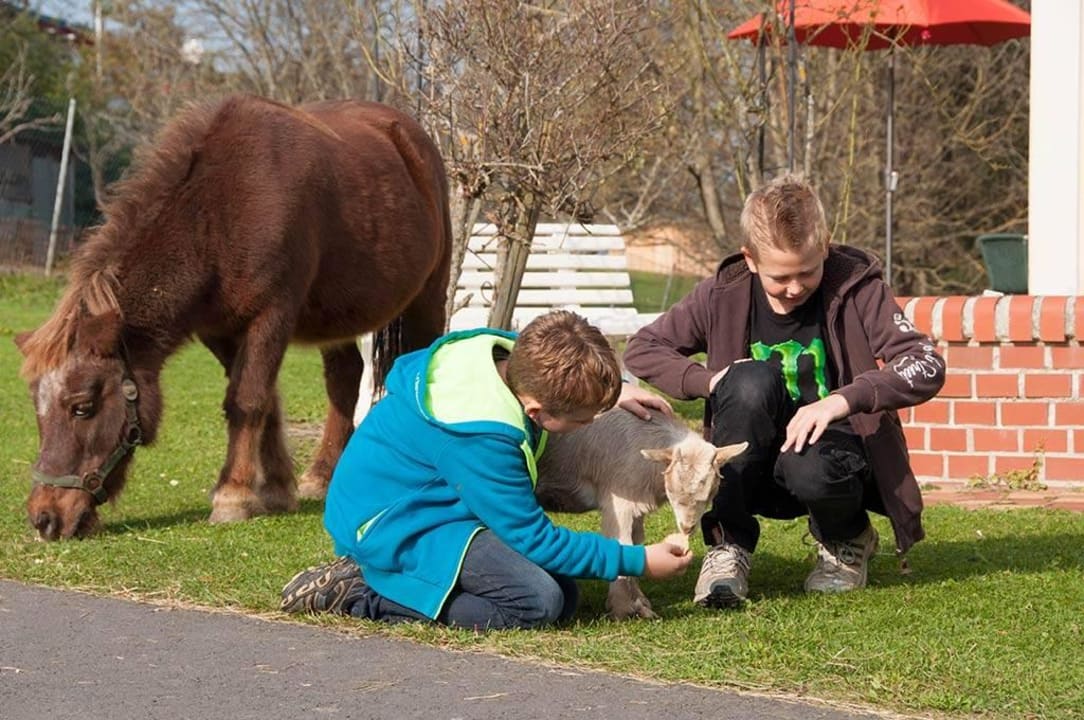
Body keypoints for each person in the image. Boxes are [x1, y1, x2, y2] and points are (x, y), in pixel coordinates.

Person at [623, 173, 945, 608]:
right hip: (749, 460)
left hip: (830, 459)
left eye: (807, 272)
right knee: (747, 380)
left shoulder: (858, 288)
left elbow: (925, 362)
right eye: (780, 277)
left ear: (825, 247)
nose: (795, 287)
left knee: (807, 461)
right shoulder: (722, 294)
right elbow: (643, 348)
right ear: (751, 259)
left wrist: (841, 400)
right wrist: (710, 380)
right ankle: (728, 546)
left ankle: (847, 537)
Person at [281, 310, 690, 629]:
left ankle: (400, 580)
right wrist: (638, 560)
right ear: (536, 412)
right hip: (392, 523)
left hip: (432, 505)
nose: (591, 425)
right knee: (538, 602)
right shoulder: (483, 438)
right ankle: (363, 591)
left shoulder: (506, 359)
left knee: (566, 593)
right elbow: (535, 538)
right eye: (585, 419)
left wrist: (611, 392)